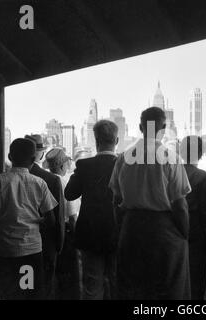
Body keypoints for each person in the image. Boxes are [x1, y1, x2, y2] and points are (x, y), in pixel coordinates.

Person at [109, 107, 191, 300]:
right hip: (164, 232)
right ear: (163, 128)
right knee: (168, 290)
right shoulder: (171, 157)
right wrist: (184, 234)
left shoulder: (123, 158)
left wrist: (123, 229)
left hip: (131, 229)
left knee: (132, 290)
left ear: (140, 127)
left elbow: (116, 201)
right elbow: (180, 205)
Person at [0, 138, 57, 300]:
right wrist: (38, 221)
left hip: (5, 251)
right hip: (31, 250)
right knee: (29, 293)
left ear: (9, 156)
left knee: (9, 294)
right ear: (33, 160)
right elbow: (51, 220)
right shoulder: (39, 183)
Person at [65, 120, 119, 300]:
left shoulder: (84, 165)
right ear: (116, 140)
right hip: (118, 233)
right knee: (117, 283)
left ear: (96, 140)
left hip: (90, 234)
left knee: (92, 286)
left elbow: (70, 194)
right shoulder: (125, 165)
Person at [25, 134, 65, 299]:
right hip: (45, 246)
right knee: (45, 289)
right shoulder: (52, 180)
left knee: (24, 288)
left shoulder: (1, 179)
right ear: (40, 154)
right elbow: (58, 218)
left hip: (16, 247)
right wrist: (59, 246)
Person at [43, 148, 80, 299]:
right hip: (65, 235)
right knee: (68, 279)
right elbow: (72, 217)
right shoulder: (64, 183)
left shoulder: (44, 180)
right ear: (63, 166)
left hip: (47, 234)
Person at [180, 135, 206, 299]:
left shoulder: (170, 173)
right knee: (197, 277)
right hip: (196, 232)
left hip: (174, 229)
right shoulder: (202, 177)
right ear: (200, 153)